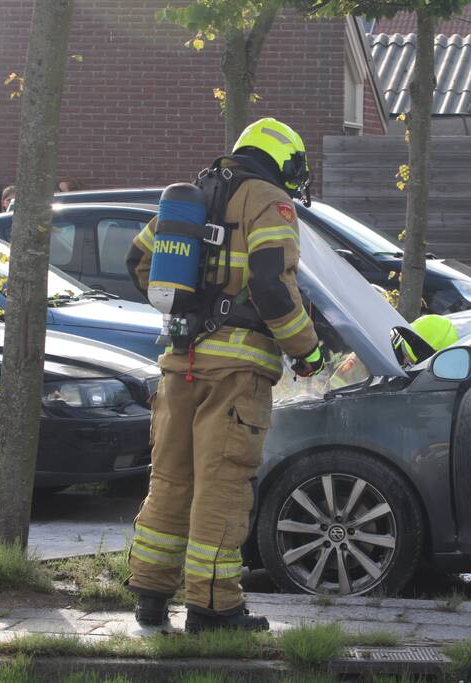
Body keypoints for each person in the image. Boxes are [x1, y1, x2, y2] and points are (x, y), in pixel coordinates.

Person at [124, 118, 323, 633]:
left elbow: (138, 258)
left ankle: (149, 593)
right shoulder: (268, 201)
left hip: (178, 362)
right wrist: (307, 351)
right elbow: (273, 286)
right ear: (284, 160)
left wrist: (184, 309)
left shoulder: (196, 192)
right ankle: (214, 608)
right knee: (222, 487)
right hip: (236, 373)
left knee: (170, 479)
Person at [329, 314, 459, 390]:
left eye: (415, 362)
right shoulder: (371, 353)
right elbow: (334, 389)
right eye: (406, 353)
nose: (406, 361)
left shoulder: (436, 378)